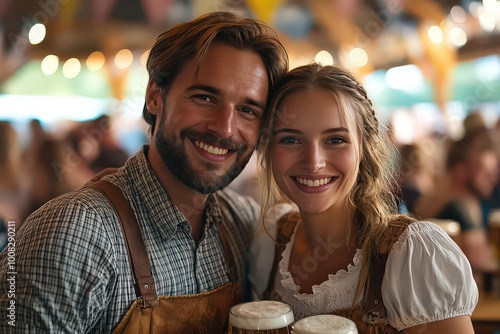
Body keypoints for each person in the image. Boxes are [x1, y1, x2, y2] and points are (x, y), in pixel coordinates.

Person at [0, 11, 288, 333]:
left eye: (247, 110)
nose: (225, 127)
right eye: (205, 97)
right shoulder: (73, 232)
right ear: (154, 96)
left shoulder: (244, 225)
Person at [249, 64, 478, 333]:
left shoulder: (413, 253)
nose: (313, 162)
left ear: (364, 148)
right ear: (267, 150)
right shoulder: (269, 239)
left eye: (335, 140)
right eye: (290, 140)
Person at [433, 126, 499, 272]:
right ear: (460, 169)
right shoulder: (460, 205)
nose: (493, 179)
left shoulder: (438, 199)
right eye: (485, 173)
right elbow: (481, 261)